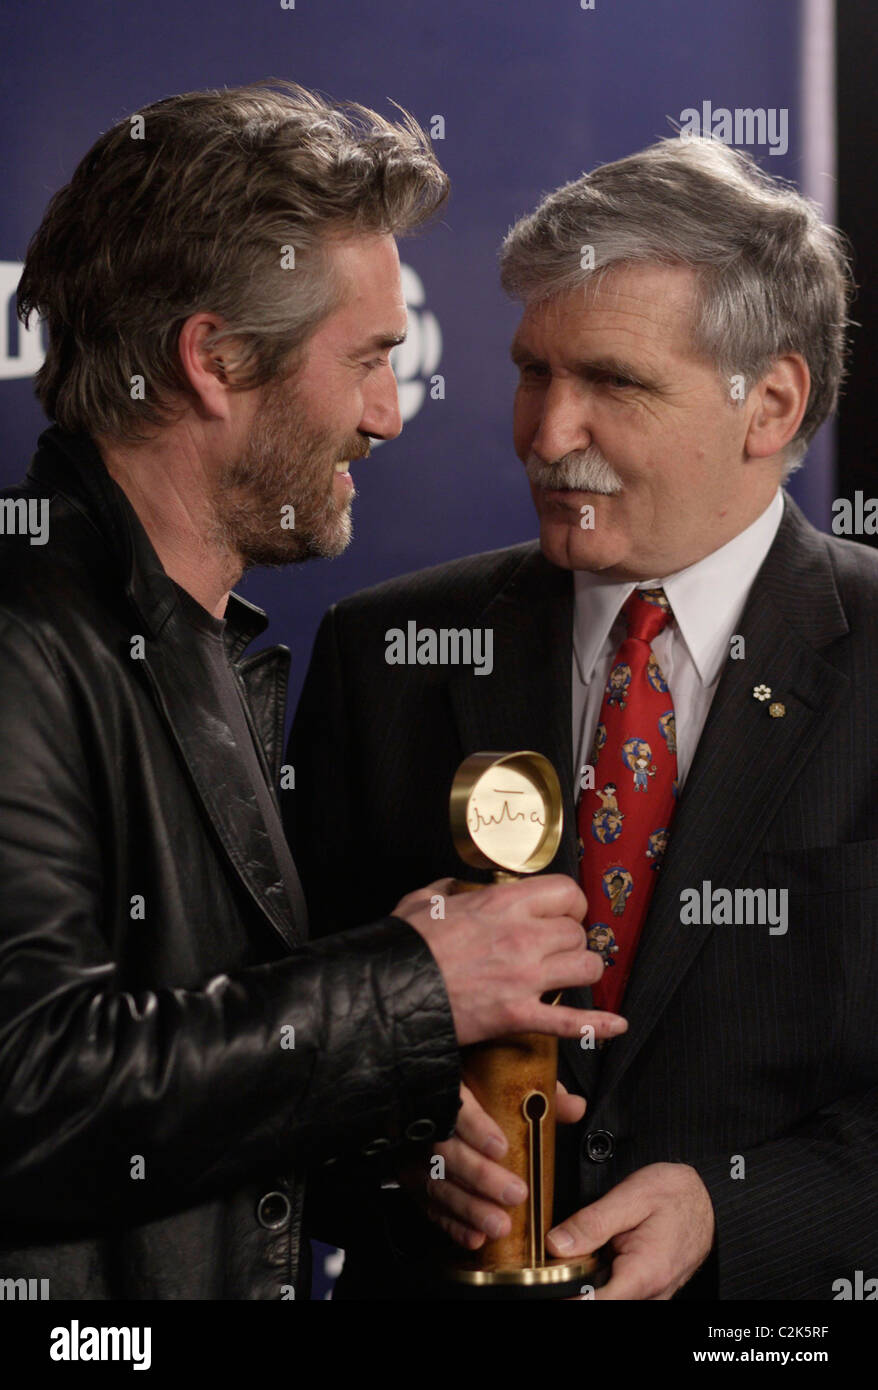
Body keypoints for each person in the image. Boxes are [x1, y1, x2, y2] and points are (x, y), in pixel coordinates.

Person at [0, 81, 616, 1301]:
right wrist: (413, 983)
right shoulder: (26, 641)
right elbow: (31, 1094)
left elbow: (182, 1102)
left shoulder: (187, 643)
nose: (391, 415)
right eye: (371, 359)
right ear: (216, 359)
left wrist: (392, 1126)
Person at [288, 136, 878, 1300]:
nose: (546, 435)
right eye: (531, 373)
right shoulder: (384, 652)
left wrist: (734, 1208)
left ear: (768, 403)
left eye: (611, 382)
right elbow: (274, 1046)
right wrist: (396, 1142)